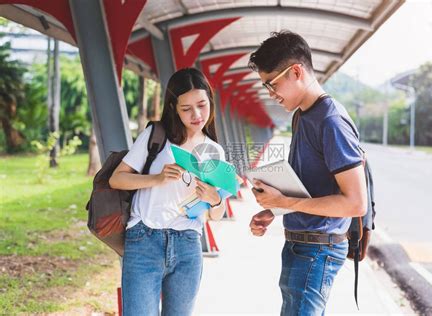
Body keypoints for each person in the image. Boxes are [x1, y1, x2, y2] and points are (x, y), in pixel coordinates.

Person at [248, 31, 368, 315]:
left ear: (297, 71)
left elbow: (355, 203)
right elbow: (311, 186)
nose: (270, 94)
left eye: (272, 84)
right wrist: (275, 210)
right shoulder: (301, 115)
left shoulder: (331, 121)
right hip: (302, 245)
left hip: (317, 251)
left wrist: (285, 203)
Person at [109, 68, 227, 315]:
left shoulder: (214, 150)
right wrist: (157, 178)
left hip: (188, 244)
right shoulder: (156, 136)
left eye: (202, 105)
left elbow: (216, 215)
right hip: (144, 240)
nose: (196, 115)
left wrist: (214, 199)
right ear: (173, 107)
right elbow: (116, 179)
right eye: (186, 108)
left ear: (210, 102)